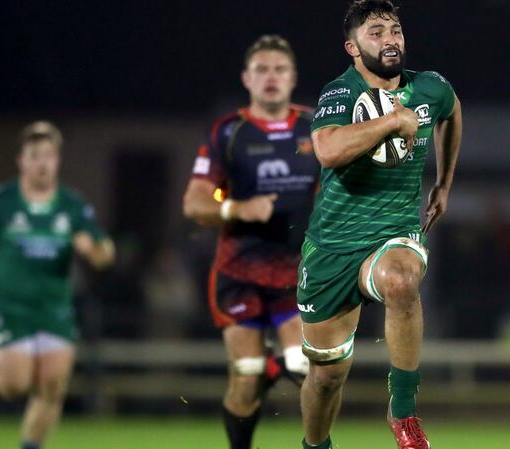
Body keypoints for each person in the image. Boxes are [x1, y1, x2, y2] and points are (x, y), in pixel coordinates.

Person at [296, 1, 462, 448]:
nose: (390, 40)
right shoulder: (340, 93)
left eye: (395, 30)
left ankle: (404, 411)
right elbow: (327, 151)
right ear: (352, 47)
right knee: (327, 375)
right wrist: (391, 121)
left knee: (402, 280)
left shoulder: (428, 88)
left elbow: (451, 110)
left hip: (394, 233)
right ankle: (316, 445)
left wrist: (444, 182)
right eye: (376, 33)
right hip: (332, 247)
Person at [182, 35, 318, 449]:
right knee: (245, 377)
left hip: (295, 270)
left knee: (304, 364)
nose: (271, 77)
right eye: (262, 69)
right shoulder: (230, 132)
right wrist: (237, 210)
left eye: (279, 69)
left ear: (293, 78)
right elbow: (194, 202)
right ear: (247, 78)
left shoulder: (316, 127)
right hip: (239, 271)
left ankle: (274, 377)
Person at [0, 121, 115, 449]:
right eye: (35, 155)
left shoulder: (73, 205)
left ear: (58, 161)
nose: (42, 163)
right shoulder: (0, 201)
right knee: (14, 386)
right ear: (21, 161)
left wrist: (92, 250)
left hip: (55, 308)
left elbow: (105, 252)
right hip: (11, 309)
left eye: (49, 156)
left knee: (52, 388)